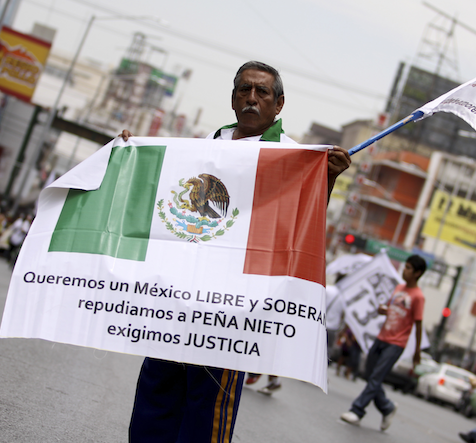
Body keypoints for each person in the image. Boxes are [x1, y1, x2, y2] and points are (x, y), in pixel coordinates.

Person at [124, 61, 351, 443]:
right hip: (177, 299)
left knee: (207, 409)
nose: (252, 98)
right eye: (244, 89)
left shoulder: (293, 155)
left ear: (279, 104)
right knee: (156, 393)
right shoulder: (206, 144)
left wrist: (326, 179)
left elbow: (302, 224)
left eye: (262, 92)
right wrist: (133, 154)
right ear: (232, 99)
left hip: (232, 309)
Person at [340, 254, 427, 432]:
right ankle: (387, 407)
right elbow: (392, 309)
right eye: (405, 266)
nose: (404, 270)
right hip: (381, 337)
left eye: (409, 268)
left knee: (376, 377)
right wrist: (383, 310)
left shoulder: (418, 297)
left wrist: (417, 351)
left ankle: (357, 410)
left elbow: (418, 325)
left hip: (396, 343)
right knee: (370, 375)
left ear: (417, 273)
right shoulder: (399, 288)